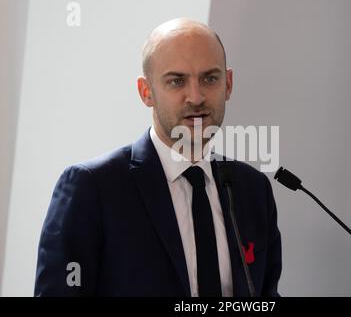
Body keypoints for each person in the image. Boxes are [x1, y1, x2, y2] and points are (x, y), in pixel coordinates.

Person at [34, 18, 281, 297]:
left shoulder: (253, 190)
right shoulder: (93, 187)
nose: (196, 97)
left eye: (210, 78)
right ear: (146, 92)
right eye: (177, 81)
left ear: (229, 84)